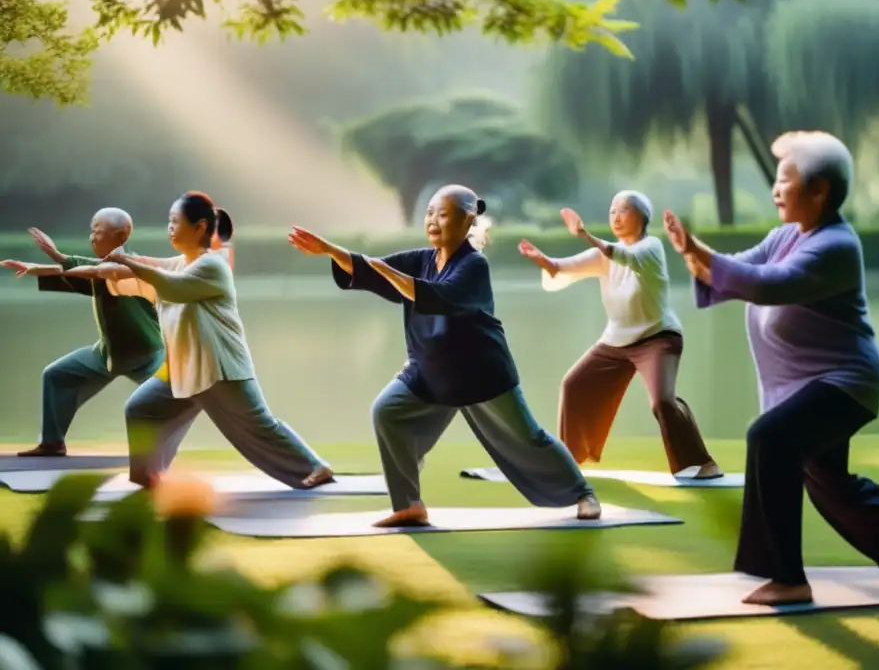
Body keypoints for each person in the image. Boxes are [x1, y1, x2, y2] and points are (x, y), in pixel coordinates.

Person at [664, 130, 879, 606]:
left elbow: (769, 284)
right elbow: (736, 270)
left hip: (844, 382)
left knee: (768, 438)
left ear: (819, 190)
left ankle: (787, 578)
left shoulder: (836, 246)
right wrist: (693, 251)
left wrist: (700, 253)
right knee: (833, 488)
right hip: (803, 386)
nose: (775, 188)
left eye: (785, 179)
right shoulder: (785, 235)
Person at [288, 184, 602, 527]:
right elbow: (371, 272)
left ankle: (582, 493)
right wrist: (331, 251)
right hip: (429, 372)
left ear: (467, 221)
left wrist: (380, 269)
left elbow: (435, 296)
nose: (433, 221)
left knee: (528, 439)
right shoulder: (423, 259)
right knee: (387, 412)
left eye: (443, 214)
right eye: (429, 213)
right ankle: (409, 505)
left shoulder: (473, 266)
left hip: (481, 374)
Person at [64, 191, 332, 490]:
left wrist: (128, 262)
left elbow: (170, 287)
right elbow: (143, 269)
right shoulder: (181, 262)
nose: (170, 227)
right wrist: (73, 267)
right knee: (141, 409)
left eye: (175, 222)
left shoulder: (212, 266)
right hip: (184, 370)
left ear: (200, 227)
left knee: (260, 425)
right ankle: (147, 477)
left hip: (220, 371)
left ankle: (315, 467)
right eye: (169, 222)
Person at [517, 192, 720, 479]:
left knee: (662, 401)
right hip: (615, 342)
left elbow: (625, 256)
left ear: (641, 217)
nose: (616, 217)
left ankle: (702, 463)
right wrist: (541, 259)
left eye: (623, 210)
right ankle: (570, 461)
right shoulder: (604, 254)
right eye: (612, 211)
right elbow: (561, 267)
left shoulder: (651, 247)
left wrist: (584, 234)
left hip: (658, 337)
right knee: (574, 384)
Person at [0, 210, 164, 457]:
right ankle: (53, 443)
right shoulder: (104, 266)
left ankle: (155, 456)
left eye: (97, 232)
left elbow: (98, 270)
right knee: (56, 375)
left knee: (166, 401)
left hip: (146, 355)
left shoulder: (134, 267)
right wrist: (35, 267)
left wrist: (56, 256)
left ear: (119, 236)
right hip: (108, 355)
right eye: (92, 231)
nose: (92, 237)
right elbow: (90, 270)